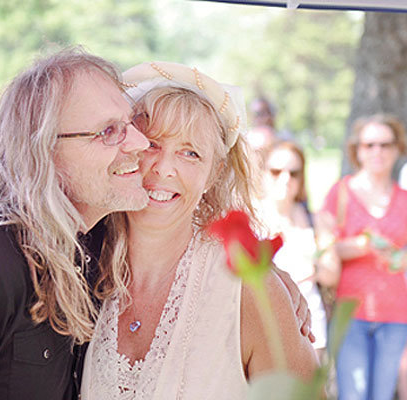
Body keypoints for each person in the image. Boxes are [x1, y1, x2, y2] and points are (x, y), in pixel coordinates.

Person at [0, 48, 312, 400]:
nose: (141, 150)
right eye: (113, 132)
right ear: (46, 148)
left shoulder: (91, 249)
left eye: (190, 153)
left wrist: (269, 283)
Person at [81, 62, 318, 399]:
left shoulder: (249, 289)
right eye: (152, 144)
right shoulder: (83, 266)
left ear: (214, 174)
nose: (164, 168)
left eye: (189, 153)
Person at [317, 114, 407, 400]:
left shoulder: (404, 200)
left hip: (396, 315)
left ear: (397, 149)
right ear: (357, 150)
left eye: (385, 144)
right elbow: (325, 249)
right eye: (369, 145)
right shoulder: (340, 193)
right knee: (352, 395)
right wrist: (362, 245)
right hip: (349, 313)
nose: (377, 152)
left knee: (382, 395)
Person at [258, 140, 328, 360]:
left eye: (294, 172)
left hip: (311, 328)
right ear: (263, 173)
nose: (285, 179)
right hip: (263, 328)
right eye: (276, 171)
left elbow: (330, 273)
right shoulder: (251, 218)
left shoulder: (315, 219)